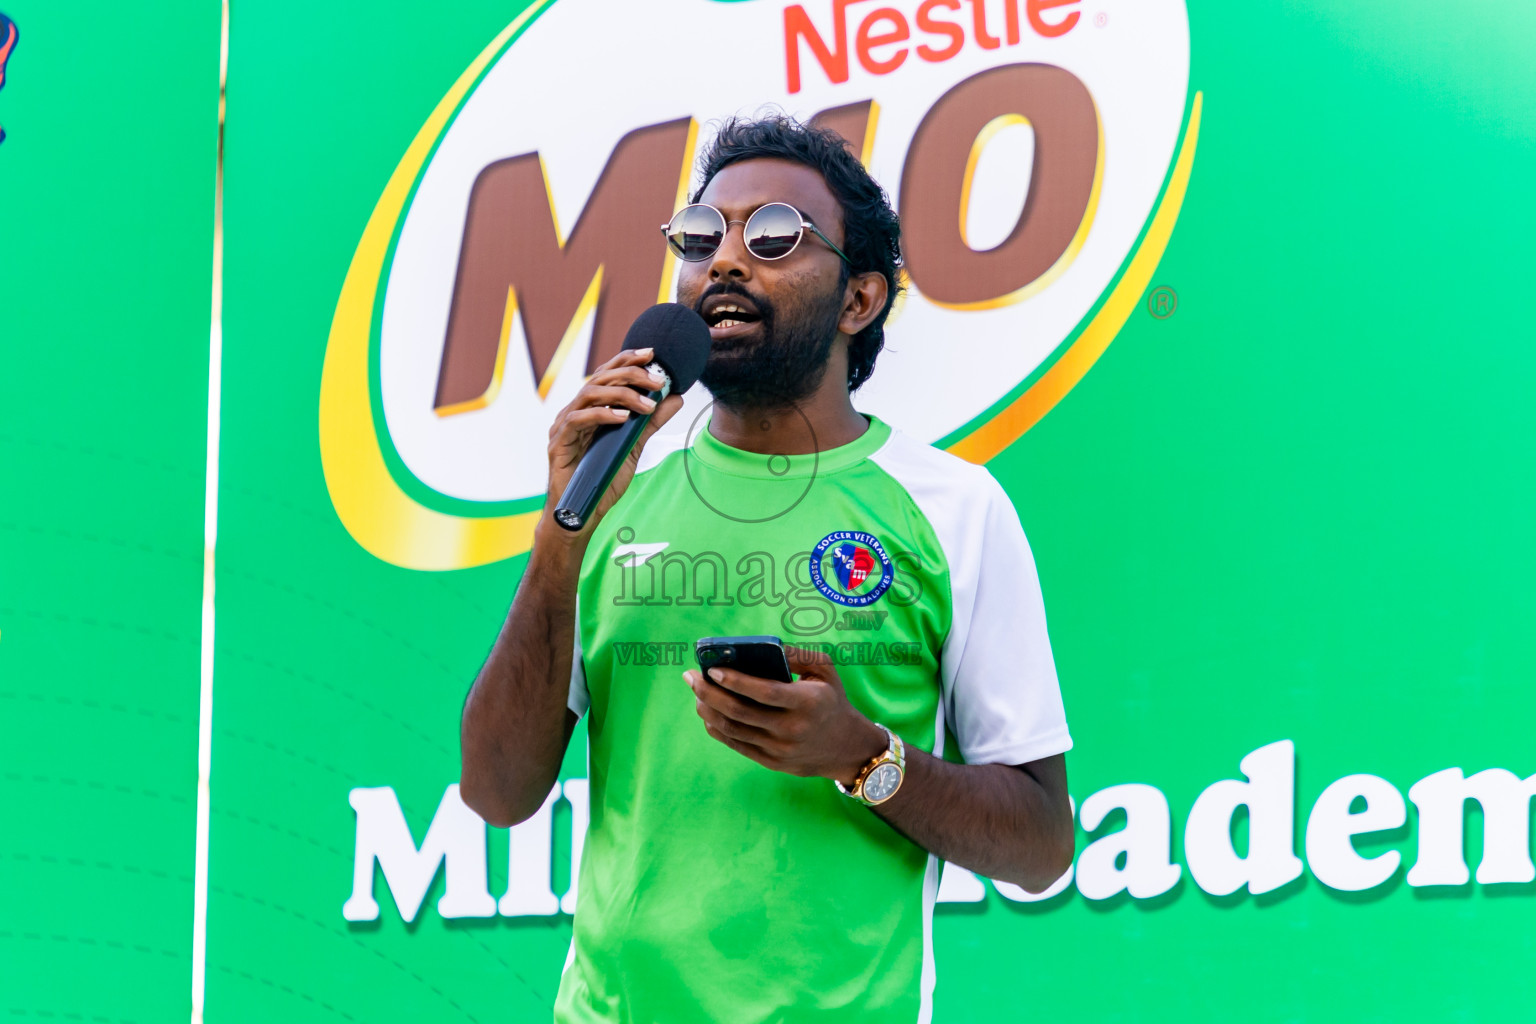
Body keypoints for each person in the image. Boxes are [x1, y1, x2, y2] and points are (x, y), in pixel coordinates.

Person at [460, 115, 1074, 1024]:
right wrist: (561, 531)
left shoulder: (955, 509)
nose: (728, 262)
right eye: (702, 237)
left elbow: (1040, 843)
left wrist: (862, 756)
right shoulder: (609, 495)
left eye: (775, 235)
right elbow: (498, 792)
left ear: (860, 300)